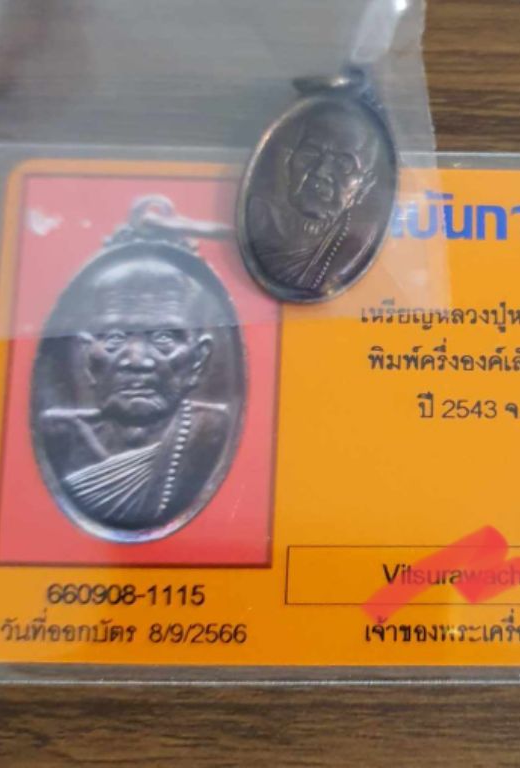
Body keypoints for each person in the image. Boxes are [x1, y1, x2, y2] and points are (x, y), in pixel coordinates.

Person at [39, 255, 230, 533]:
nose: (137, 361)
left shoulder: (210, 434)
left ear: (199, 360)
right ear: (87, 358)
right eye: (114, 338)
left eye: (164, 338)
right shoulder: (61, 435)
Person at [250, 101, 382, 293]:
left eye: (343, 163)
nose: (321, 171)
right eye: (311, 153)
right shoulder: (258, 216)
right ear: (289, 161)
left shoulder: (358, 242)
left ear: (365, 185)